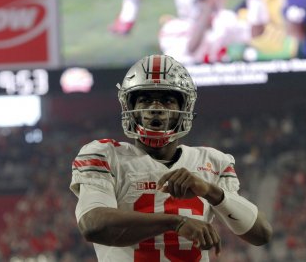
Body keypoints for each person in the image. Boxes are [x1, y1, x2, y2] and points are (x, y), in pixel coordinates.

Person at [70, 54, 273, 261]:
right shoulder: (105, 155)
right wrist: (175, 222)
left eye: (167, 100)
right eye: (145, 100)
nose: (156, 108)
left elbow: (261, 234)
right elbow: (93, 225)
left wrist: (209, 190)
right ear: (130, 107)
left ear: (184, 108)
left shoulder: (212, 162)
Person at [159, 0, 270, 64]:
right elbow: (192, 48)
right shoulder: (172, 28)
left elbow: (256, 31)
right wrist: (207, 7)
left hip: (218, 88)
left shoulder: (223, 20)